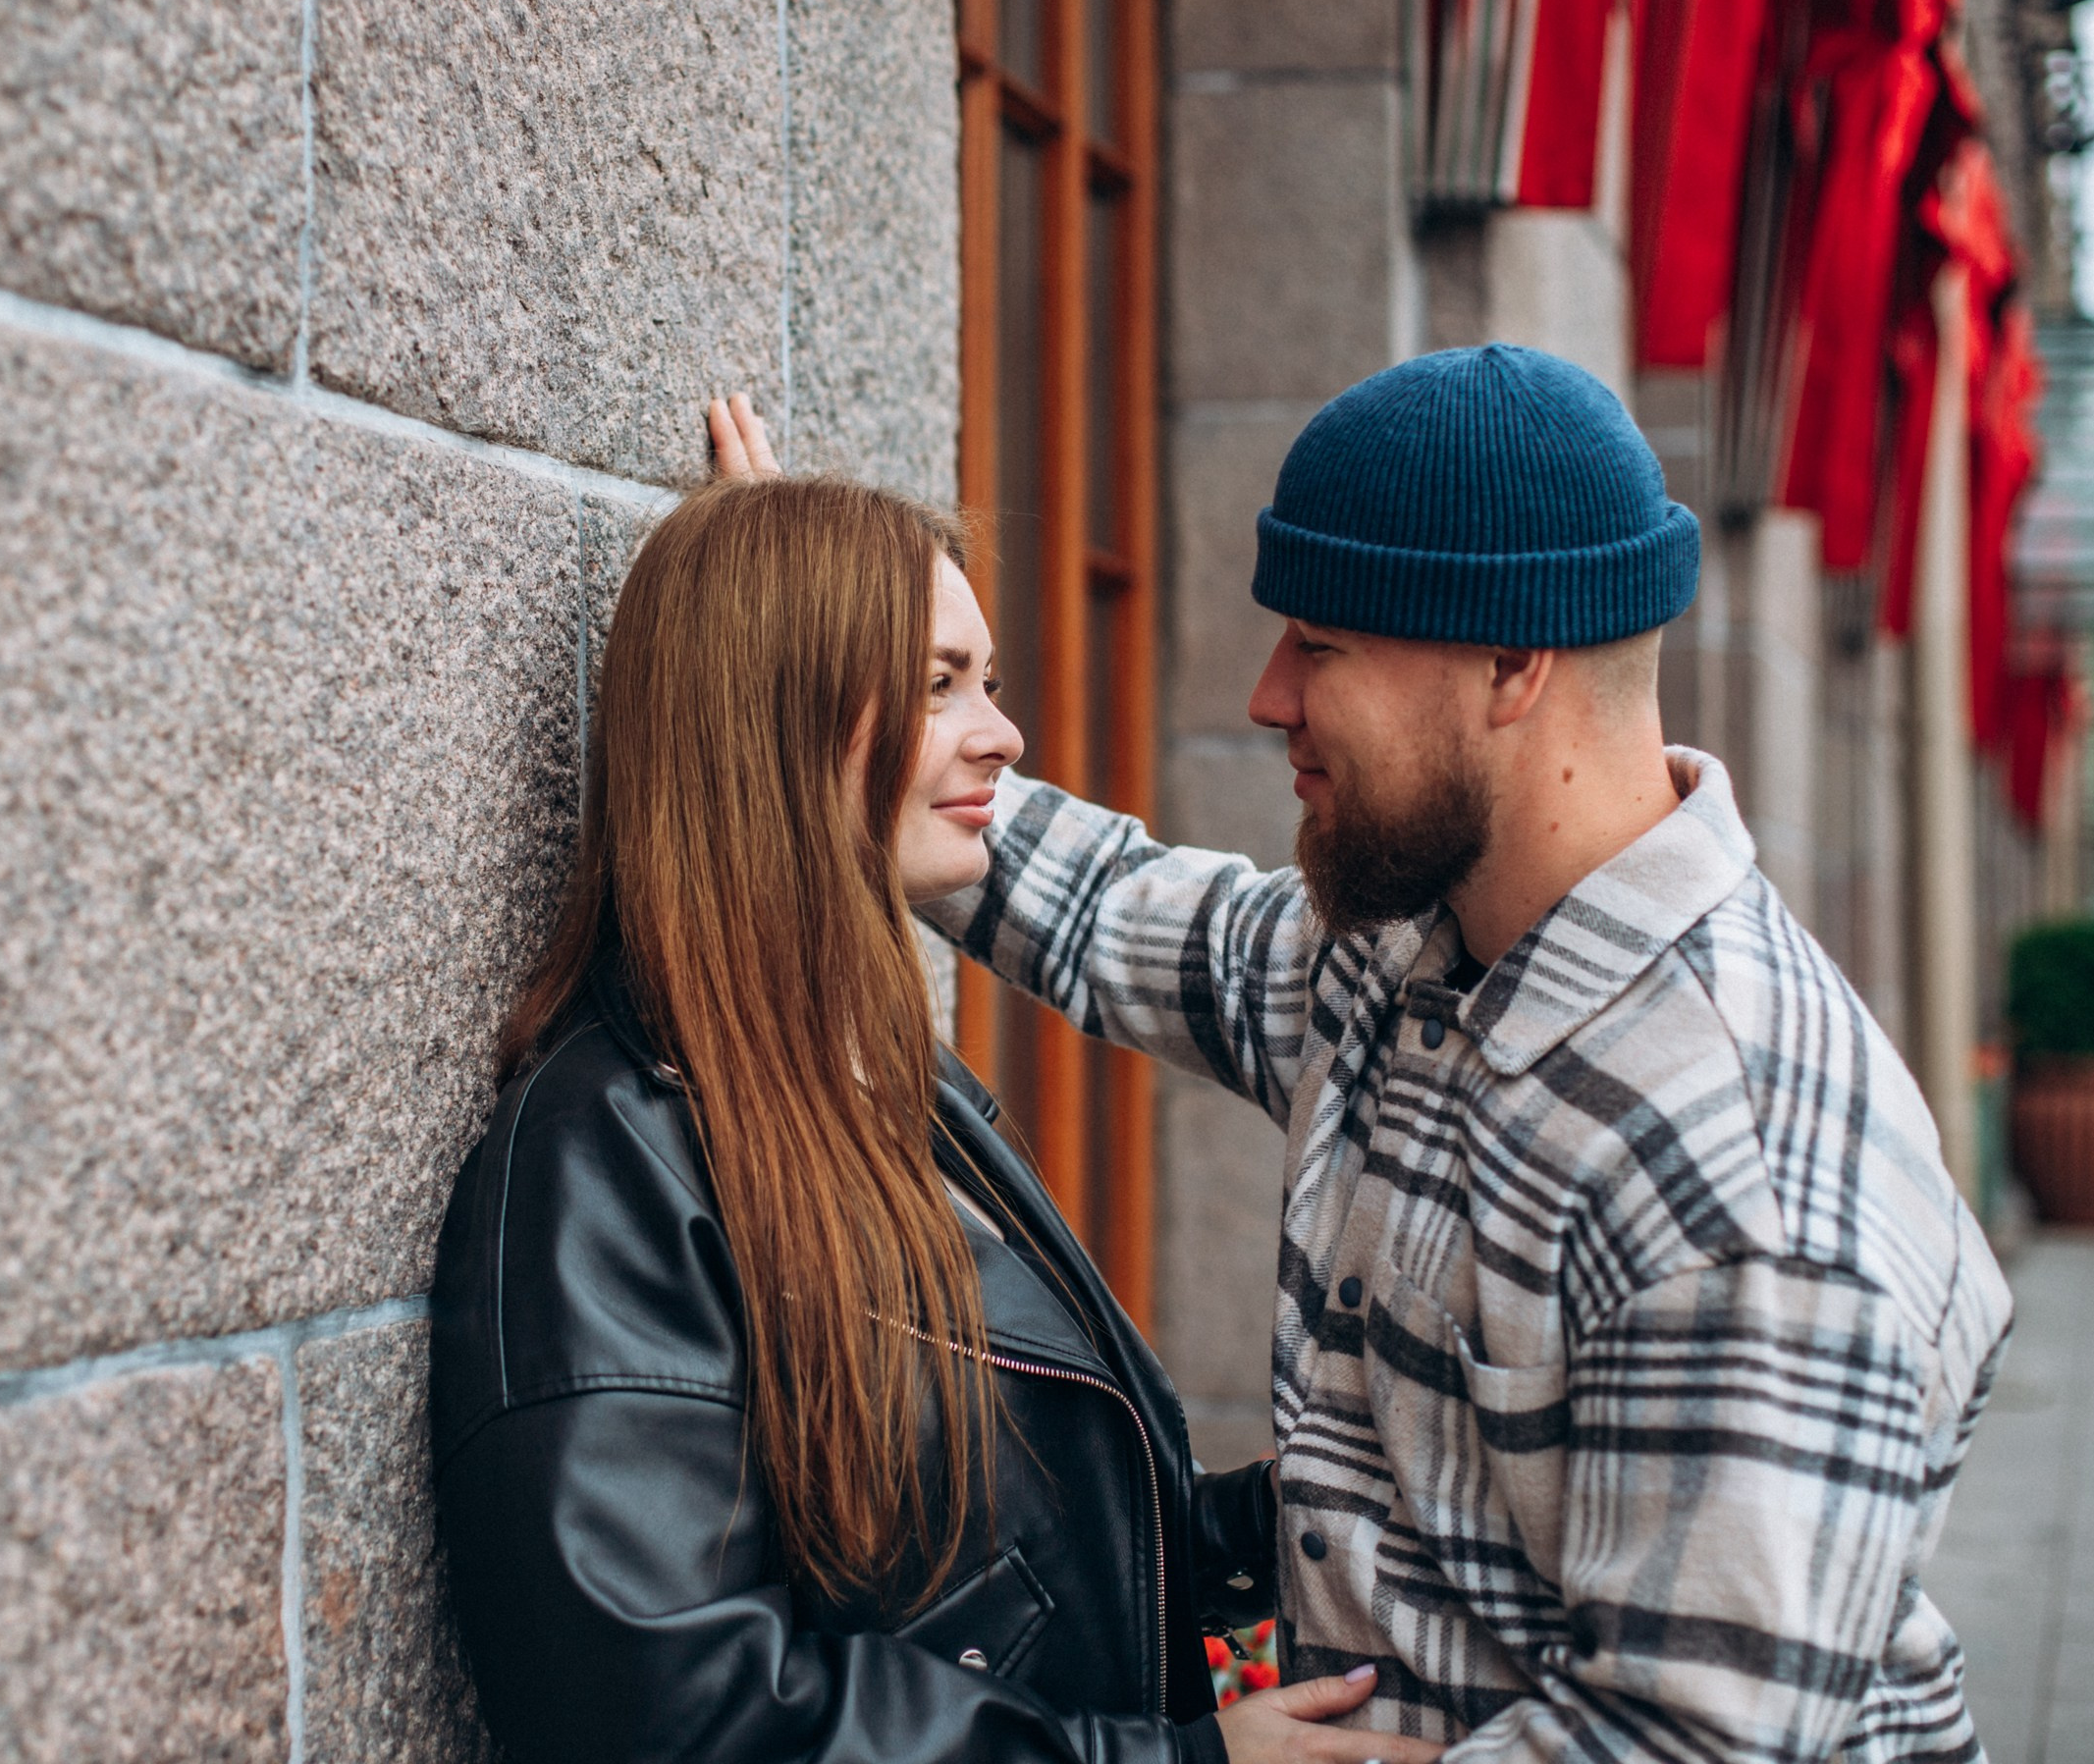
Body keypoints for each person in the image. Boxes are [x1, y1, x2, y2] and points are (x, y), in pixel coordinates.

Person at [713, 348, 2014, 1760]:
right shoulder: (1417, 963)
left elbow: (1691, 1744)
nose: (1271, 695)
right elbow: (1117, 914)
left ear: (1510, 662)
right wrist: (836, 680)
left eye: (1322, 644)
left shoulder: (1737, 1181)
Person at [429, 446, 1442, 1764]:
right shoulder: (604, 1167)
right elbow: (677, 1716)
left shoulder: (868, 1085)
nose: (1004, 736)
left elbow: (1007, 1550)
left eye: (991, 682)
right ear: (779, 717)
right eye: (939, 686)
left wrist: (1319, 1508)